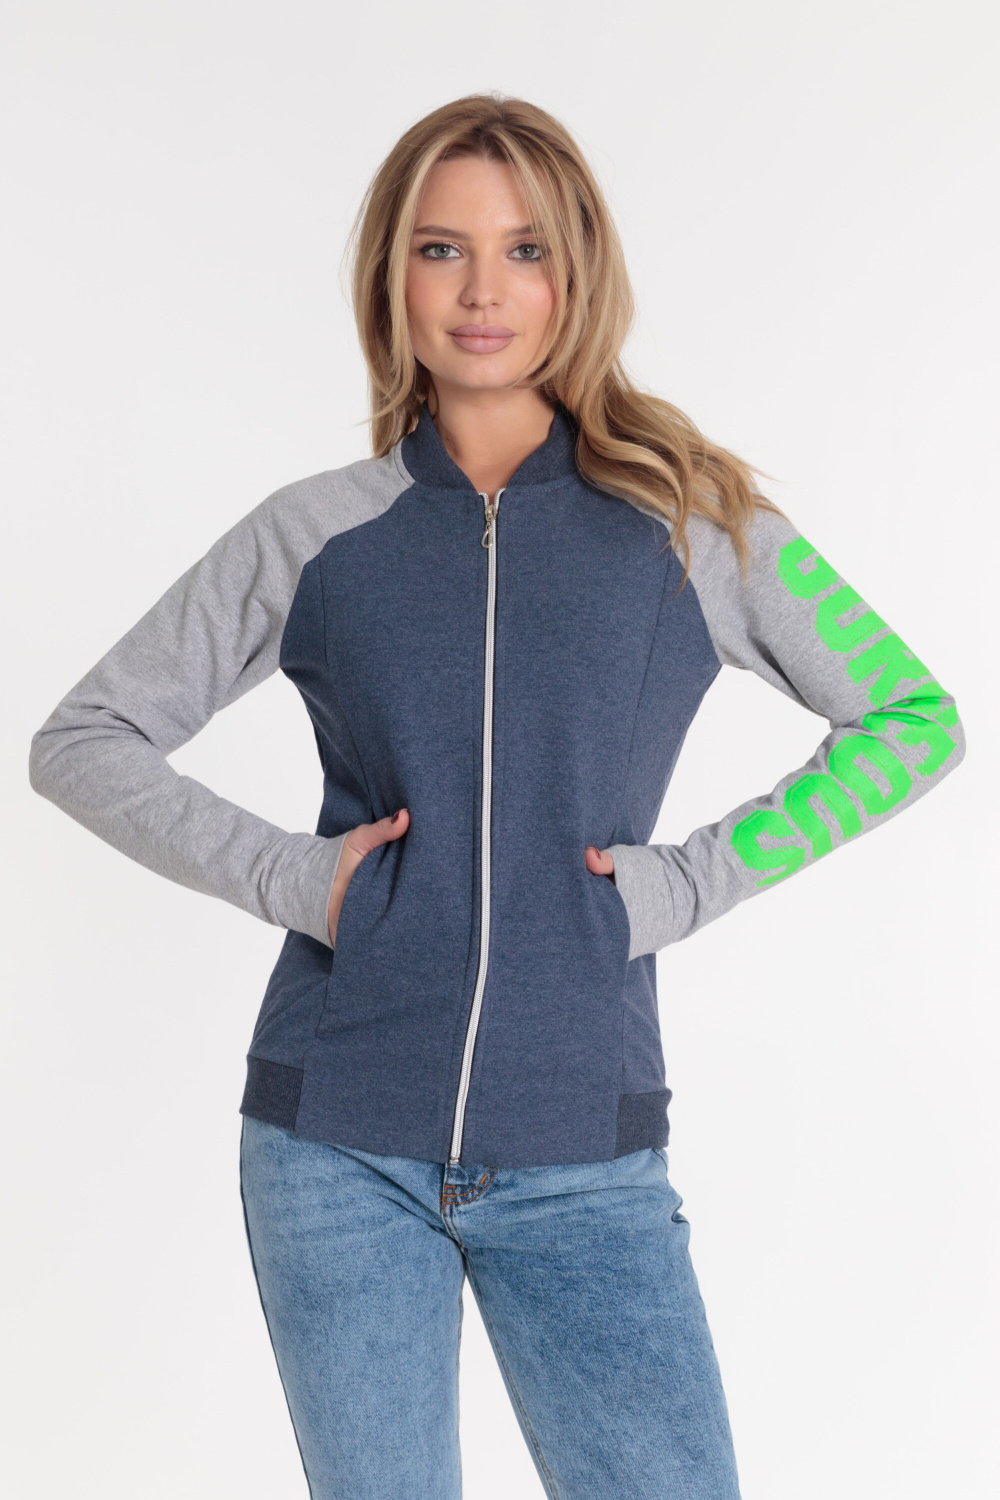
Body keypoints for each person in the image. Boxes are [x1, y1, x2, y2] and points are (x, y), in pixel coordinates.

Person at [27, 92, 966, 1500]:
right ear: (390, 275)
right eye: (441, 249)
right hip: (333, 1144)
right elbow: (84, 737)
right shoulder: (315, 532)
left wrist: (684, 885)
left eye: (525, 251)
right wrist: (298, 878)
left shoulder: (690, 523)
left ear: (577, 274)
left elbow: (910, 718)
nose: (482, 292)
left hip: (583, 1149)